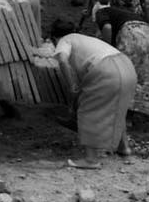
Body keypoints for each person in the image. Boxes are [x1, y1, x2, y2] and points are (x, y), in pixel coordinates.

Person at [48, 19, 136, 168]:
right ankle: (124, 148)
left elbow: (63, 61)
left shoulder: (65, 40)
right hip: (127, 66)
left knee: (89, 110)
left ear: (54, 37)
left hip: (106, 70)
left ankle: (91, 160)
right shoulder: (86, 39)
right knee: (118, 109)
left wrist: (72, 87)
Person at [95, 5, 149, 116]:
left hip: (131, 33)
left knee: (123, 71)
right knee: (144, 73)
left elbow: (107, 28)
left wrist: (107, 50)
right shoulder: (122, 13)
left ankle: (120, 109)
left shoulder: (100, 12)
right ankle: (138, 108)